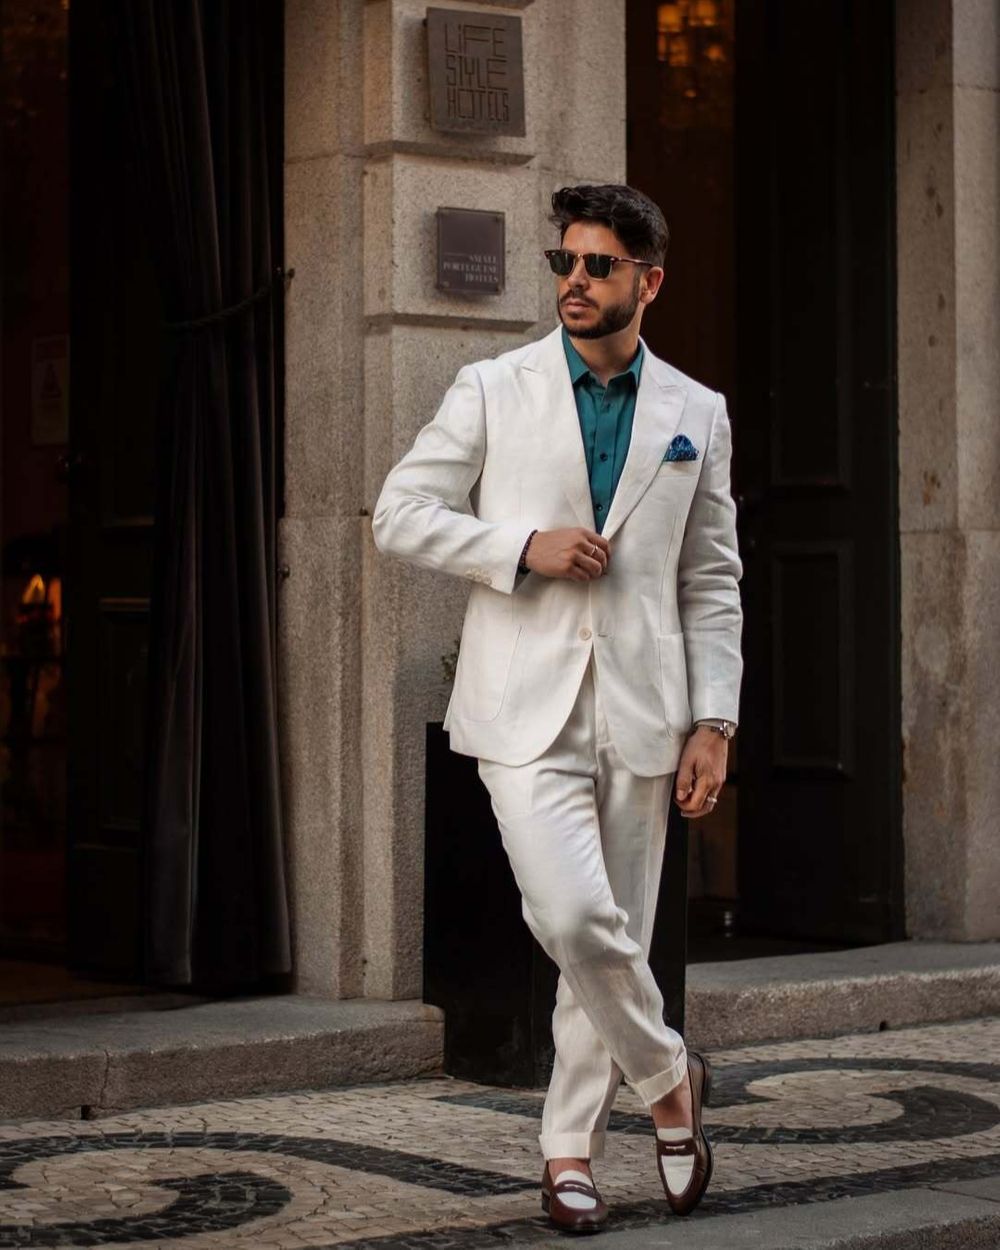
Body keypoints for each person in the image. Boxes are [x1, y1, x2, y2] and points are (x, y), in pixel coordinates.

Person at [373, 183, 742, 1232]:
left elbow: (710, 578)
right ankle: (670, 1080)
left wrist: (714, 720)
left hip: (645, 707)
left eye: (598, 265)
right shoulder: (493, 388)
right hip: (521, 704)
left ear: (648, 282)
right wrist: (518, 547)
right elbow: (398, 513)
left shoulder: (696, 412)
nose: (574, 281)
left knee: (606, 936)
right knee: (574, 917)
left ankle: (568, 1149)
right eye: (564, 262)